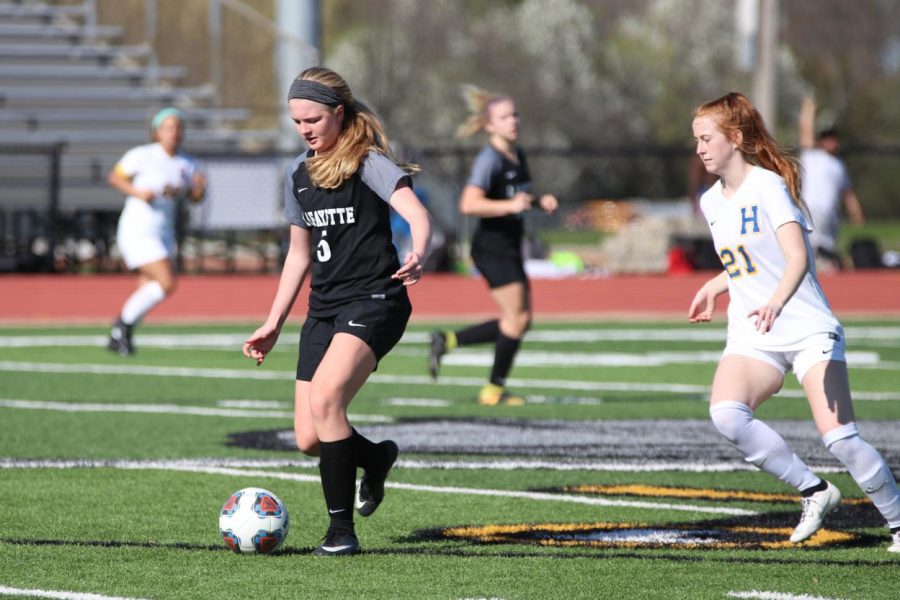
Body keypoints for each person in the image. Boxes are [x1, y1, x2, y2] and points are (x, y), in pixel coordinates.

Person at [688, 92, 900, 552]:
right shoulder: (710, 202)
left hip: (804, 327)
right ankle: (815, 490)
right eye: (697, 140)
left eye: (707, 138)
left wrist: (777, 302)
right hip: (754, 331)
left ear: (736, 139)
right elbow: (748, 260)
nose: (700, 148)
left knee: (841, 438)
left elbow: (797, 257)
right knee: (727, 414)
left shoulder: (767, 186)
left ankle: (899, 524)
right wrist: (715, 285)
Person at [242, 67, 431, 556]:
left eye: (313, 119)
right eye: (297, 121)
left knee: (328, 399)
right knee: (309, 437)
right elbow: (299, 255)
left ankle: (341, 531)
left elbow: (415, 212)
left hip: (375, 300)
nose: (305, 129)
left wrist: (420, 250)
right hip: (323, 310)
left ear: (339, 113)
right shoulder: (297, 173)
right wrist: (273, 323)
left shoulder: (368, 162)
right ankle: (377, 457)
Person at [428, 86, 558, 406]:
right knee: (517, 319)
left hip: (510, 245)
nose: (513, 121)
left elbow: (516, 200)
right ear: (489, 126)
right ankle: (493, 390)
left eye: (515, 114)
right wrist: (511, 207)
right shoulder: (490, 159)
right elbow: (469, 204)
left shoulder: (518, 155)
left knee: (519, 320)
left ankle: (449, 340)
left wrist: (540, 202)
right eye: (504, 117)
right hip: (492, 247)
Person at [106, 108, 207, 355]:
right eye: (168, 127)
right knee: (167, 281)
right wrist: (139, 193)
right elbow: (115, 177)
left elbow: (195, 197)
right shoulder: (143, 155)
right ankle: (123, 326)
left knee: (150, 285)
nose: (174, 133)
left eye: (178, 128)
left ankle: (119, 334)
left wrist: (199, 189)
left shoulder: (187, 162)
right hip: (139, 228)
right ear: (157, 131)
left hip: (164, 230)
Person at [798, 96, 865, 272]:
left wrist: (855, 211)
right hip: (812, 208)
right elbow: (805, 133)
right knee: (812, 246)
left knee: (827, 248)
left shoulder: (839, 165)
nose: (831, 142)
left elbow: (847, 192)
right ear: (821, 141)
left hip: (831, 213)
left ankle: (825, 267)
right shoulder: (812, 157)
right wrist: (808, 109)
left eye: (834, 139)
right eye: (827, 139)